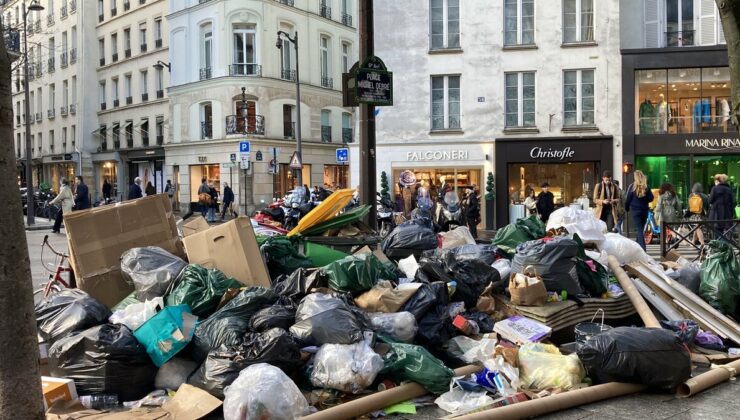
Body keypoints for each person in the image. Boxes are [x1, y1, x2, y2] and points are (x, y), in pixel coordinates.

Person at [625, 170, 654, 250]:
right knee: (640, 229)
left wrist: (626, 208)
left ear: (635, 177)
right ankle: (637, 248)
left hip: (635, 211)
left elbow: (628, 199)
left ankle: (643, 249)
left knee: (639, 230)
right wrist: (645, 200)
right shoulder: (646, 187)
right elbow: (651, 198)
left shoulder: (632, 186)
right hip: (644, 210)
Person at [709, 173, 735, 241]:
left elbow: (710, 200)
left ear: (718, 181)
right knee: (726, 230)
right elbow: (732, 202)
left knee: (717, 230)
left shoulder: (714, 189)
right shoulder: (729, 189)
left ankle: (718, 246)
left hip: (716, 214)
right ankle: (725, 245)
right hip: (727, 213)